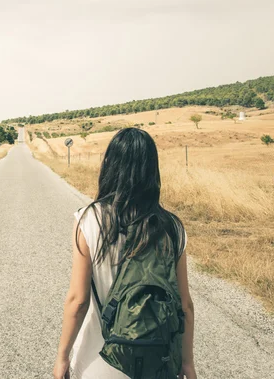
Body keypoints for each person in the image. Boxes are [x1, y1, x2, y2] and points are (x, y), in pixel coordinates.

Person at [53, 128, 196, 379]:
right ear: (153, 169)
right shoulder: (172, 227)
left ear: (110, 165)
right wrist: (187, 363)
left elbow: (78, 301)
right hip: (158, 363)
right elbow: (185, 306)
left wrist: (62, 357)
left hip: (99, 361)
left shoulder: (89, 219)